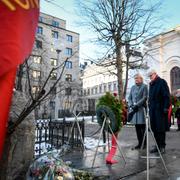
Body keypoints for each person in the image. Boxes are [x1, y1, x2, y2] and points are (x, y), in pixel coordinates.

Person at [148, 70, 170, 154]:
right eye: (149, 76)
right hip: (153, 109)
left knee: (161, 129)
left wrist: (166, 107)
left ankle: (162, 147)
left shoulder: (161, 82)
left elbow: (166, 95)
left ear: (155, 74)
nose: (150, 77)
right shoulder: (151, 84)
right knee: (154, 129)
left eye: (151, 75)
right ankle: (157, 146)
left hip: (160, 109)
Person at [128, 73, 148, 149]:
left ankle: (144, 143)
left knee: (142, 127)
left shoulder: (144, 86)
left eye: (137, 78)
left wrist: (137, 105)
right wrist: (130, 105)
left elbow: (144, 97)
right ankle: (140, 143)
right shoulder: (132, 87)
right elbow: (129, 97)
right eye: (135, 78)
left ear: (141, 79)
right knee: (137, 128)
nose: (136, 80)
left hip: (141, 110)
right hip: (134, 111)